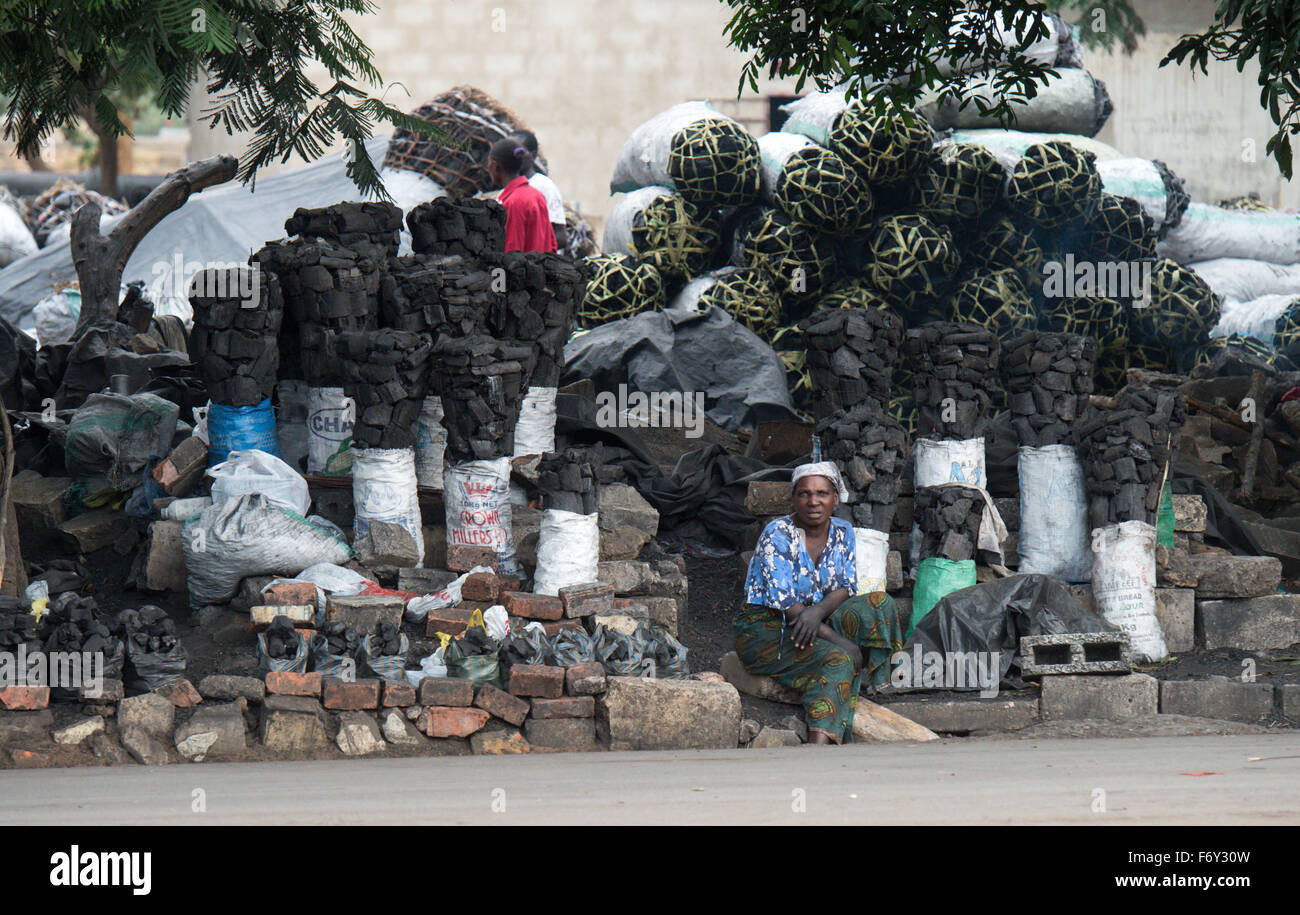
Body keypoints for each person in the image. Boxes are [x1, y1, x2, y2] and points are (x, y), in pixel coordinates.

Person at [733, 461, 906, 745]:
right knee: (838, 658)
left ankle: (880, 687)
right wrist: (846, 645)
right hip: (766, 631)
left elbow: (846, 585)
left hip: (814, 621)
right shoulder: (776, 534)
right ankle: (819, 745)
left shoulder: (842, 531)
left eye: (822, 493)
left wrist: (817, 612)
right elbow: (788, 608)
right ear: (793, 499)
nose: (813, 501)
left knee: (879, 602)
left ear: (835, 499)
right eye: (804, 494)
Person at [486, 138, 556, 253]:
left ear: (495, 166)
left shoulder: (512, 203)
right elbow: (552, 244)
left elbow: (512, 253)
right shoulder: (537, 195)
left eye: (488, 163)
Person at [511, 130, 568, 249]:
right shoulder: (505, 190)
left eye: (519, 152)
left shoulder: (544, 186)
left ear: (533, 155)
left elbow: (560, 236)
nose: (514, 157)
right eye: (510, 152)